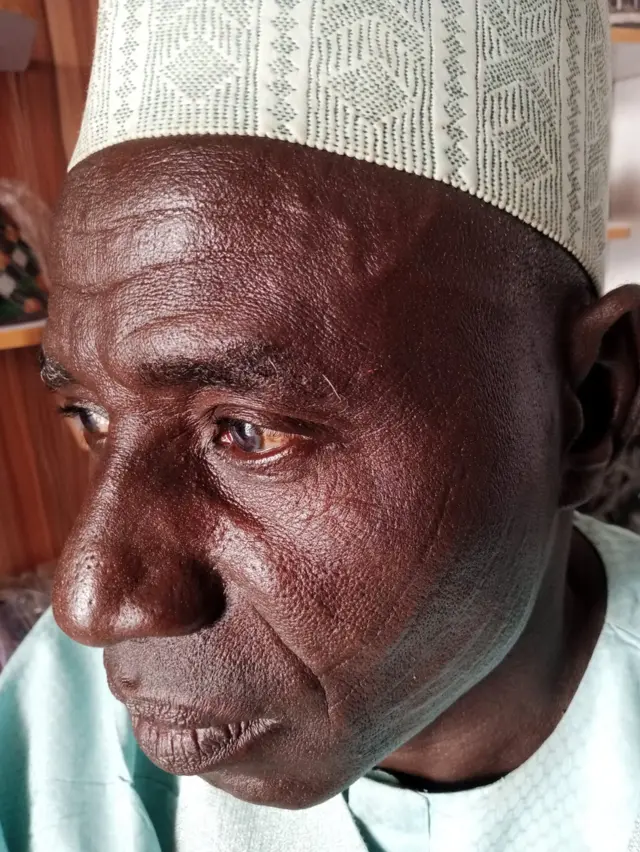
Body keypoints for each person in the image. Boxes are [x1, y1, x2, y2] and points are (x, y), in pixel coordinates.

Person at [1, 0, 639, 849]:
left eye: (247, 432)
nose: (91, 603)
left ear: (589, 406)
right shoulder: (62, 706)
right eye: (90, 416)